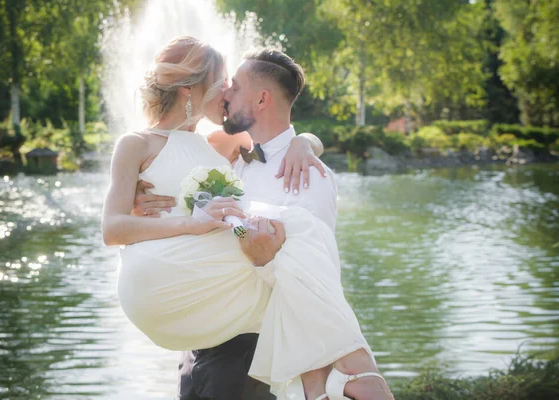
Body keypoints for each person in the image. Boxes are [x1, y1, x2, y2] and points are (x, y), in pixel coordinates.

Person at [102, 36, 394, 400]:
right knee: (295, 229)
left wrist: (305, 143)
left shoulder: (229, 148)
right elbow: (115, 228)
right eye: (223, 82)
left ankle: (333, 378)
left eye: (233, 86)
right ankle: (347, 372)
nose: (225, 92)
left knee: (296, 230)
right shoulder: (152, 144)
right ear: (191, 90)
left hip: (237, 330)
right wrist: (156, 212)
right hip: (181, 299)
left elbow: (280, 139)